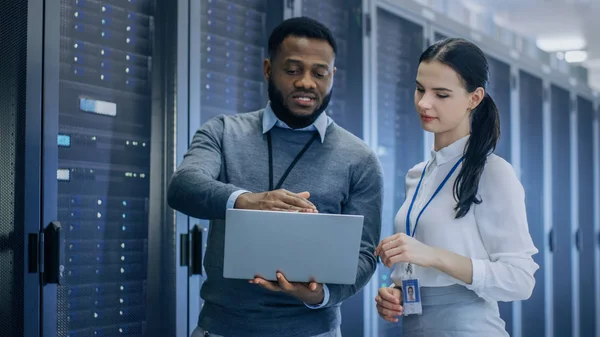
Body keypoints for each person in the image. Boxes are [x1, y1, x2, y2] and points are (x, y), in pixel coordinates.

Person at [167, 16, 383, 337]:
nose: (307, 82)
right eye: (293, 70)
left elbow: (365, 255)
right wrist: (246, 200)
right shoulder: (223, 132)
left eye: (319, 73)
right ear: (268, 70)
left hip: (314, 331)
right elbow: (182, 188)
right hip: (223, 328)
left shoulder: (359, 158)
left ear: (332, 76)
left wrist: (319, 294)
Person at [374, 38, 539, 336]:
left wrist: (433, 255)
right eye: (420, 89)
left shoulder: (493, 173)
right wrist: (396, 293)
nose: (424, 103)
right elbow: (420, 265)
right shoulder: (418, 174)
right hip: (417, 325)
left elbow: (520, 280)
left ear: (474, 98)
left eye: (442, 94)